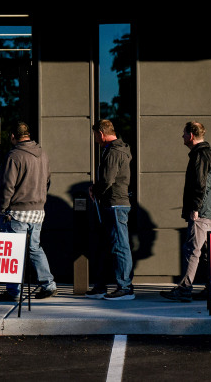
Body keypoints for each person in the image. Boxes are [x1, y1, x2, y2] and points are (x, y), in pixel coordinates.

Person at [0, 121, 57, 302]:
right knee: (35, 248)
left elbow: (7, 186)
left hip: (17, 211)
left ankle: (13, 291)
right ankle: (48, 284)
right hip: (37, 210)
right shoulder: (42, 154)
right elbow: (48, 181)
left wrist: (3, 208)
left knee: (13, 252)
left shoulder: (14, 156)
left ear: (13, 136)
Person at [161, 121, 211, 303]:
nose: (182, 136)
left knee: (192, 250)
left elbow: (199, 184)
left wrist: (195, 208)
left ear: (191, 136)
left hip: (202, 211)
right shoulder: (207, 153)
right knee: (205, 252)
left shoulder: (200, 155)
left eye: (184, 133)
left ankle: (185, 289)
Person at [86, 120, 135, 301]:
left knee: (120, 246)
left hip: (115, 204)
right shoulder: (116, 149)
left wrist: (95, 190)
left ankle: (125, 287)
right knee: (108, 246)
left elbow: (107, 179)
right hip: (113, 203)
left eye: (95, 135)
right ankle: (102, 287)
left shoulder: (114, 151)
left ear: (101, 133)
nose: (95, 139)